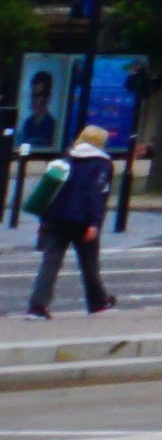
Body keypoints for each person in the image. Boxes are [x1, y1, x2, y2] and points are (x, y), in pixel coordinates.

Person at [23, 134, 114, 317]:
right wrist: (94, 223)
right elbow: (95, 195)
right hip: (81, 221)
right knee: (89, 263)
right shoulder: (101, 164)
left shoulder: (64, 160)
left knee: (50, 263)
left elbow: (49, 192)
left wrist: (43, 222)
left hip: (53, 219)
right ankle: (97, 302)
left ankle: (37, 306)